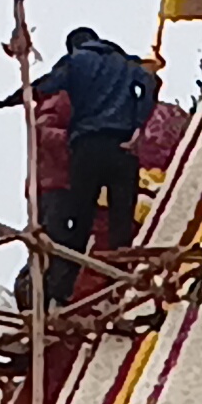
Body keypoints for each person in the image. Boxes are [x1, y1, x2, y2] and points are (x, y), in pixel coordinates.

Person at [27, 28, 159, 307]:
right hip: (97, 162)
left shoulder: (75, 72)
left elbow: (41, 96)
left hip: (80, 163)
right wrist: (137, 122)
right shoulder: (119, 65)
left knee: (79, 230)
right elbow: (149, 83)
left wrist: (4, 100)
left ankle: (72, 293)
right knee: (108, 226)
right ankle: (106, 287)